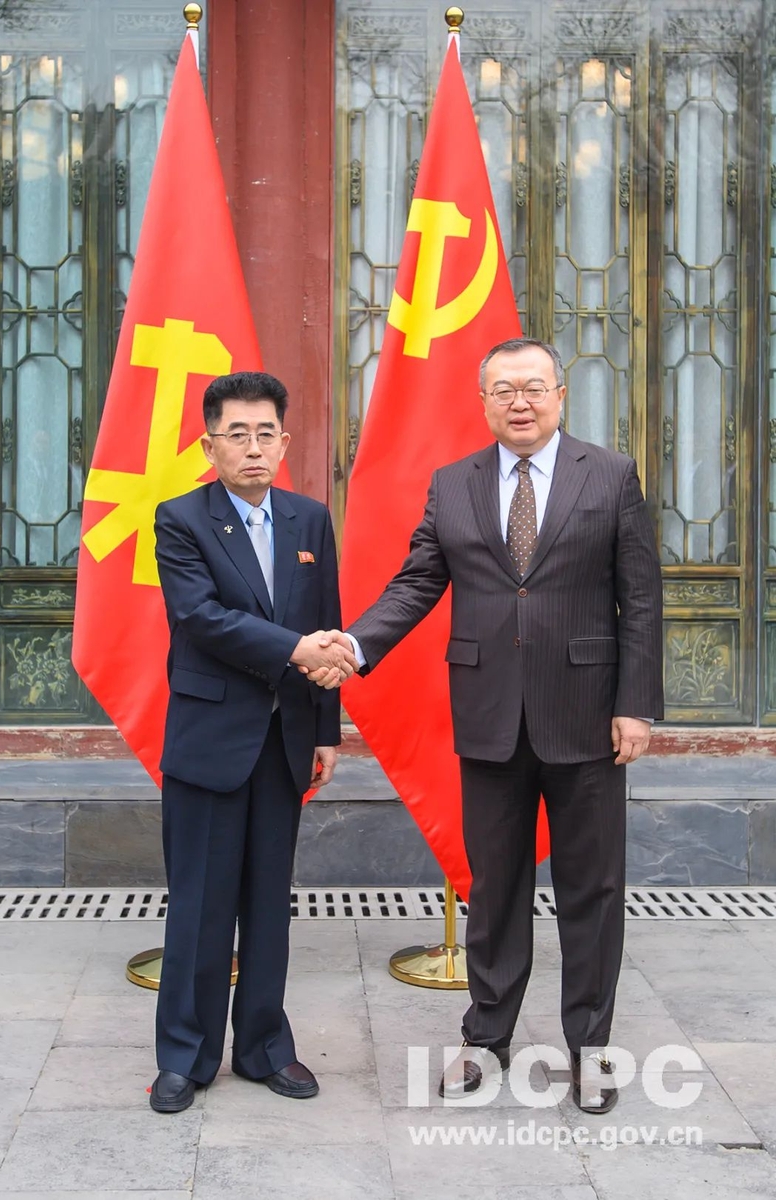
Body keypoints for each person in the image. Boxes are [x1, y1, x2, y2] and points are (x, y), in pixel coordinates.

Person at [312, 337, 663, 1113]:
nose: (520, 401)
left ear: (561, 395)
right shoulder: (454, 484)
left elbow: (639, 597)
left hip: (587, 720)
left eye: (534, 387)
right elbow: (416, 584)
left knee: (592, 890)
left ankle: (591, 1047)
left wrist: (635, 703)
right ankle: (487, 1036)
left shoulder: (608, 476)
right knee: (494, 887)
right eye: (504, 389)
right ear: (484, 401)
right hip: (491, 718)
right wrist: (356, 645)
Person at [149, 370, 358, 1114]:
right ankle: (185, 1055)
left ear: (285, 440)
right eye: (236, 434)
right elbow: (201, 618)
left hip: (285, 740)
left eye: (266, 432)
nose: (253, 447)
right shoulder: (181, 519)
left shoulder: (309, 519)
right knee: (200, 904)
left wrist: (328, 733)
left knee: (270, 904)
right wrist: (301, 649)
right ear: (210, 445)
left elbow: (328, 620)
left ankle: (265, 1046)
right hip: (210, 740)